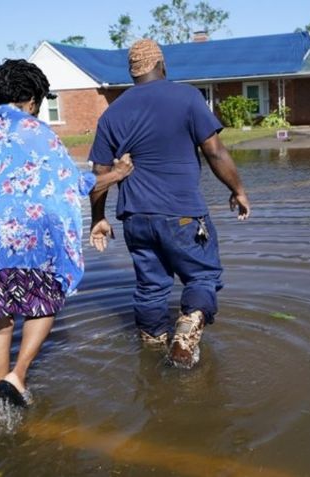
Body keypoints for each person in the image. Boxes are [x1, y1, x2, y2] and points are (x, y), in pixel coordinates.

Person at [0, 59, 132, 407]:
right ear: (33, 99)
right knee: (42, 303)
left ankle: (1, 405)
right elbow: (74, 183)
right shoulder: (39, 133)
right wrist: (119, 173)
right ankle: (18, 375)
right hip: (31, 242)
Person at [88, 39, 250, 369]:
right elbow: (215, 151)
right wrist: (238, 190)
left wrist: (98, 218)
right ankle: (188, 325)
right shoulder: (187, 97)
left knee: (150, 287)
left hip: (135, 218)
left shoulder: (111, 114)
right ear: (161, 66)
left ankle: (152, 347)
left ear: (132, 73)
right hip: (182, 214)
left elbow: (99, 174)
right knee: (202, 277)